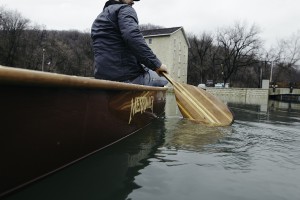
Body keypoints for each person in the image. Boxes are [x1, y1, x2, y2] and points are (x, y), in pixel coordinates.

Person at [91, 0, 168, 87]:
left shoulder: (100, 18)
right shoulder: (125, 9)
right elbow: (133, 37)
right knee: (163, 79)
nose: (134, 2)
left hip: (102, 76)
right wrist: (157, 65)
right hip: (126, 77)